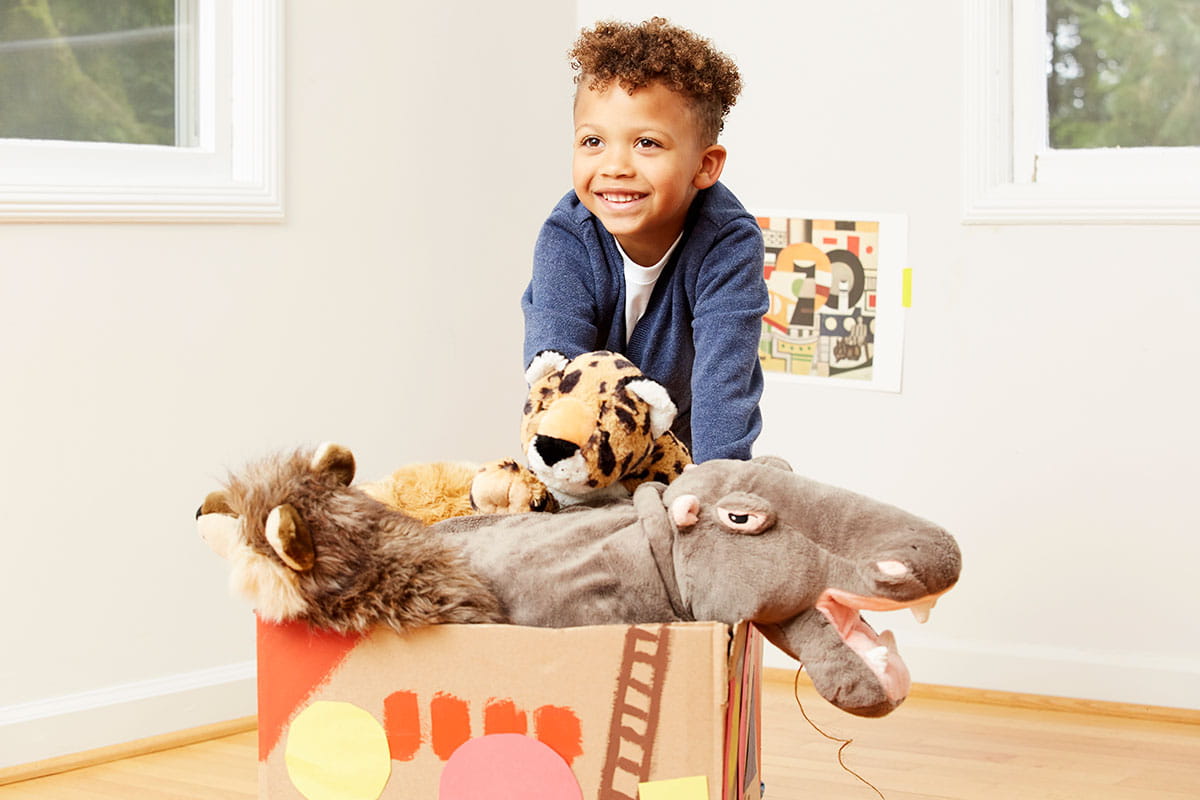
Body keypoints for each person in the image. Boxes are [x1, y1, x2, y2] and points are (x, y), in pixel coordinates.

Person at [522, 17, 767, 463]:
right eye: (593, 141)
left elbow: (723, 383)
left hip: (681, 452)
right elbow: (560, 369)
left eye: (647, 143)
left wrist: (715, 482)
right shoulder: (567, 237)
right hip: (587, 451)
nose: (615, 165)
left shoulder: (728, 243)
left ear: (705, 166)